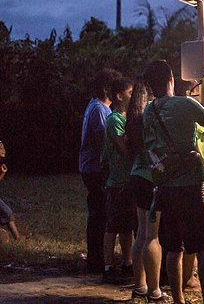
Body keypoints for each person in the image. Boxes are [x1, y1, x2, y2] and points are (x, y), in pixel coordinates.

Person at [142, 60, 204, 304]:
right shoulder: (185, 104)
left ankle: (178, 299)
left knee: (173, 246)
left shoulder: (149, 110)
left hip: (164, 186)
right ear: (170, 80)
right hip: (190, 185)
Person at [125, 81, 166, 302]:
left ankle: (139, 286)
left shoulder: (133, 117)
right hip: (151, 177)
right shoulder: (151, 114)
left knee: (140, 233)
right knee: (152, 236)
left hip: (137, 174)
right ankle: (155, 291)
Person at [79, 68, 121, 273]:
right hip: (95, 168)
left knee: (99, 212)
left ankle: (96, 257)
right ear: (107, 88)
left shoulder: (97, 107)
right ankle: (96, 259)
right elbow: (103, 142)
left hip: (91, 166)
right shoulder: (99, 110)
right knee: (100, 213)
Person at [101, 77, 136, 283]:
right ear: (119, 96)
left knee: (126, 225)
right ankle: (107, 265)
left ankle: (127, 261)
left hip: (127, 179)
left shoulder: (125, 117)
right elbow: (126, 147)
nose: (133, 97)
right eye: (130, 93)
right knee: (113, 225)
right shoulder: (115, 119)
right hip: (117, 181)